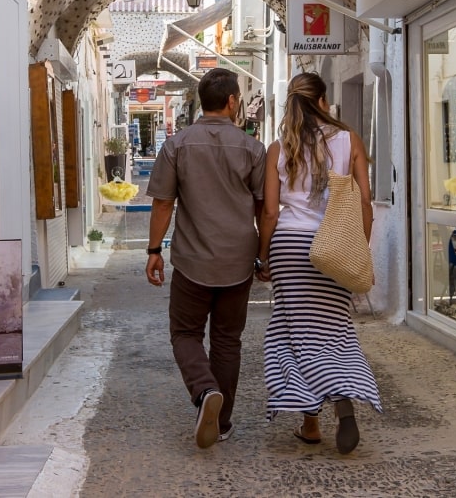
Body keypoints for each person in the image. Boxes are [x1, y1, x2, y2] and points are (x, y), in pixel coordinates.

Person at [257, 72, 382, 455]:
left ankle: (311, 422)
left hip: (290, 247)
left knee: (293, 331)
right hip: (333, 244)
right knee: (334, 329)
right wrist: (358, 247)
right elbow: (364, 202)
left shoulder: (279, 148)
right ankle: (340, 405)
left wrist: (263, 255)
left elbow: (270, 211)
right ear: (324, 102)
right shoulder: (349, 140)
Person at [144, 68, 266, 449]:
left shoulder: (176, 145)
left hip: (192, 262)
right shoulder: (253, 148)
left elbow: (163, 203)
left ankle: (203, 391)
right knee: (228, 341)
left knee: (185, 333)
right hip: (237, 262)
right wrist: (263, 256)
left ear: (202, 102)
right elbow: (265, 209)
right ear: (232, 102)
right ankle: (223, 420)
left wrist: (153, 251)